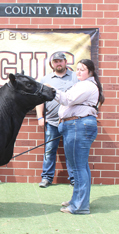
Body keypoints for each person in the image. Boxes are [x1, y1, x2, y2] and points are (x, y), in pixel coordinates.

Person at [50, 59, 104, 214]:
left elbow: (67, 99)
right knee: (80, 166)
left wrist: (51, 90)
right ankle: (78, 200)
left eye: (83, 69)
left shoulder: (87, 85)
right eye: (77, 69)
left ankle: (79, 206)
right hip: (77, 126)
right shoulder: (84, 84)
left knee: (78, 167)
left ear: (91, 72)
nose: (79, 72)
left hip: (78, 126)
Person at [36, 52, 78, 188]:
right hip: (52, 122)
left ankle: (73, 178)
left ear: (66, 62)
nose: (58, 64)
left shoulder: (75, 77)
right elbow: (40, 100)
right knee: (49, 150)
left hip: (70, 121)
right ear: (52, 64)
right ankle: (46, 178)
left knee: (70, 150)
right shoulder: (46, 79)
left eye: (61, 61)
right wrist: (40, 117)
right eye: (56, 61)